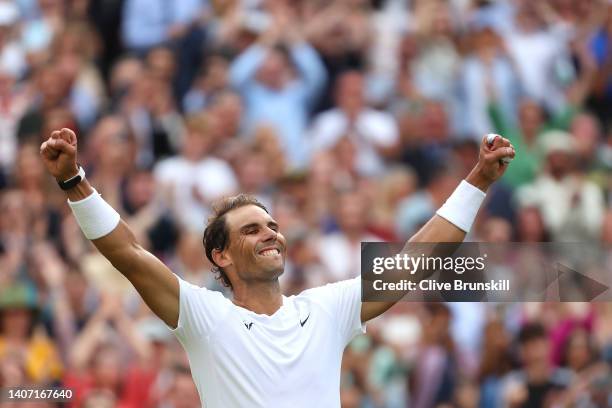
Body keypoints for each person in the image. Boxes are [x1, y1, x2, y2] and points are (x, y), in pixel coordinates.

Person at [39, 127, 515, 407]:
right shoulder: (204, 317)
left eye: (271, 224)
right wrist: (73, 180)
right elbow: (128, 253)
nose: (270, 232)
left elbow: (415, 261)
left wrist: (477, 179)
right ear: (220, 257)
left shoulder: (328, 307)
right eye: (250, 229)